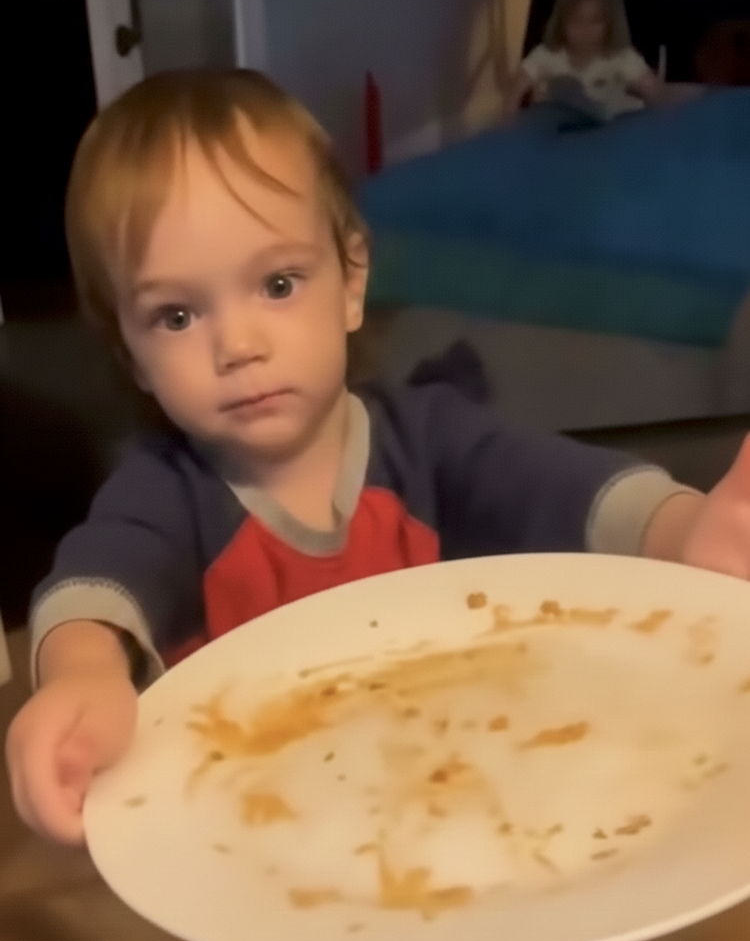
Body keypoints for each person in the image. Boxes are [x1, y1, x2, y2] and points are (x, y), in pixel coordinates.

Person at [5, 68, 750, 852]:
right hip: (264, 846)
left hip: (446, 809)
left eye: (279, 283)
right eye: (178, 314)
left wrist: (683, 528)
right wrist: (82, 674)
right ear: (130, 353)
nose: (239, 345)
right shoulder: (168, 493)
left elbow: (556, 487)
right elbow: (95, 583)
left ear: (352, 280)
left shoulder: (425, 436)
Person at [504, 0, 662, 121]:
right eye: (575, 20)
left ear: (611, 22)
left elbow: (654, 92)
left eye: (596, 21)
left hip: (601, 137)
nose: (585, 30)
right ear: (561, 21)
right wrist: (509, 125)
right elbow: (515, 91)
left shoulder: (620, 56)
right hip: (555, 135)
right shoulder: (547, 54)